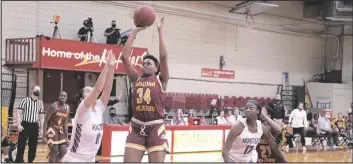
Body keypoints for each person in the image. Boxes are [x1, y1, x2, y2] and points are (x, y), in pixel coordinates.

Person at [121, 16, 169, 162]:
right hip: (136, 126)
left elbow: (164, 57)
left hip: (155, 127)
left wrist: (160, 31)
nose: (145, 64)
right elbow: (124, 57)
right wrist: (134, 31)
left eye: (149, 63)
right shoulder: (136, 78)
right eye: (144, 63)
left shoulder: (161, 80)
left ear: (156, 68)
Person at [61, 53, 116, 162]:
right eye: (87, 91)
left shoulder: (99, 108)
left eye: (91, 89)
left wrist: (112, 68)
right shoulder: (82, 109)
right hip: (75, 159)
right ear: (82, 99)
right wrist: (106, 67)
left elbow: (107, 90)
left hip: (91, 159)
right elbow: (97, 90)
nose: (91, 91)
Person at [222, 100, 287, 163]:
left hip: (248, 160)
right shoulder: (238, 127)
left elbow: (274, 146)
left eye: (251, 108)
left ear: (258, 111)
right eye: (246, 108)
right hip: (232, 160)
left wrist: (285, 161)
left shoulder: (262, 127)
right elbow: (225, 151)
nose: (247, 110)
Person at [15, 85, 44, 163]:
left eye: (39, 90)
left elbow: (41, 117)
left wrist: (42, 129)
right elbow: (18, 112)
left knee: (33, 146)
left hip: (34, 126)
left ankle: (30, 161)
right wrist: (18, 125)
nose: (38, 91)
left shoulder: (40, 103)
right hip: (25, 124)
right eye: (36, 89)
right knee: (21, 145)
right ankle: (19, 161)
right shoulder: (25, 100)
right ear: (32, 90)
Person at [42, 91, 70, 162]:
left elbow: (66, 123)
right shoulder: (53, 106)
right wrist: (44, 136)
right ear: (58, 97)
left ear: (66, 98)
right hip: (52, 130)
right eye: (61, 95)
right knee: (54, 152)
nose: (63, 97)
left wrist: (66, 137)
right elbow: (46, 120)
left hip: (60, 131)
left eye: (65, 96)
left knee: (64, 152)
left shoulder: (67, 108)